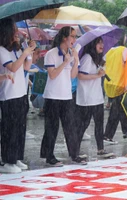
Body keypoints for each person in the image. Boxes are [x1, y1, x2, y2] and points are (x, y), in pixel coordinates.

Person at [40, 26, 86, 167]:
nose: (74, 39)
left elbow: (72, 76)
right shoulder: (52, 54)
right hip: (53, 96)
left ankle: (74, 154)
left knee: (70, 127)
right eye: (73, 36)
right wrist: (65, 62)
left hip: (66, 95)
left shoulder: (70, 53)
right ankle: (49, 156)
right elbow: (52, 75)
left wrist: (75, 60)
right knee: (52, 127)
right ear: (65, 38)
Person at [0, 18, 36, 173]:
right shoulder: (2, 50)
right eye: (14, 30)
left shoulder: (17, 49)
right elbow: (13, 68)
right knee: (10, 128)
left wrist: (29, 51)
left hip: (21, 92)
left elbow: (26, 66)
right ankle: (8, 160)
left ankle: (17, 157)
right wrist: (25, 53)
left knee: (20, 127)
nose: (17, 33)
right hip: (9, 95)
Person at [76, 36, 114, 158]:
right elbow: (80, 76)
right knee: (83, 125)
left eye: (102, 43)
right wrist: (97, 76)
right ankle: (75, 150)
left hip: (97, 97)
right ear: (92, 45)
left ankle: (101, 149)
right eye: (98, 43)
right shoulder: (87, 58)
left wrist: (101, 72)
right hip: (87, 98)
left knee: (99, 124)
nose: (101, 45)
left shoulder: (99, 59)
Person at [103, 36, 127, 144]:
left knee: (121, 109)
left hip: (110, 83)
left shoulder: (108, 51)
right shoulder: (123, 50)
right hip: (120, 83)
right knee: (117, 110)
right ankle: (108, 135)